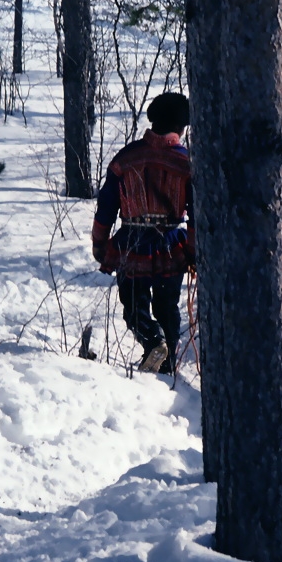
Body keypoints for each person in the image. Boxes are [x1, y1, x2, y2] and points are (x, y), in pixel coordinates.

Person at [92, 91, 194, 374]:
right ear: (182, 127)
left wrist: (100, 244)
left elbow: (106, 206)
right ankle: (167, 363)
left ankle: (152, 343)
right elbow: (197, 212)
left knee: (134, 309)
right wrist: (194, 251)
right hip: (171, 246)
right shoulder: (187, 163)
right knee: (167, 307)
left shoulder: (126, 158)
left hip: (131, 244)